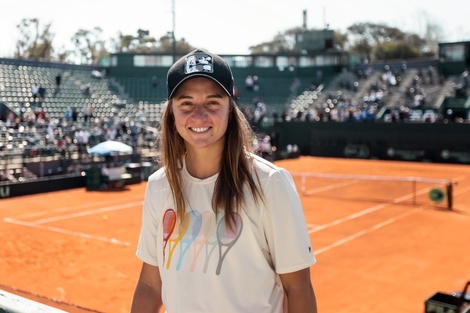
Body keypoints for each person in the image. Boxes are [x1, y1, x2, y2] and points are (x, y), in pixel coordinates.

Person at [130, 49, 317, 313]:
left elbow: (297, 288)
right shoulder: (159, 185)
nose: (199, 115)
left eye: (213, 102)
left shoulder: (270, 183)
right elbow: (150, 285)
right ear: (171, 112)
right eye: (186, 103)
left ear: (230, 109)